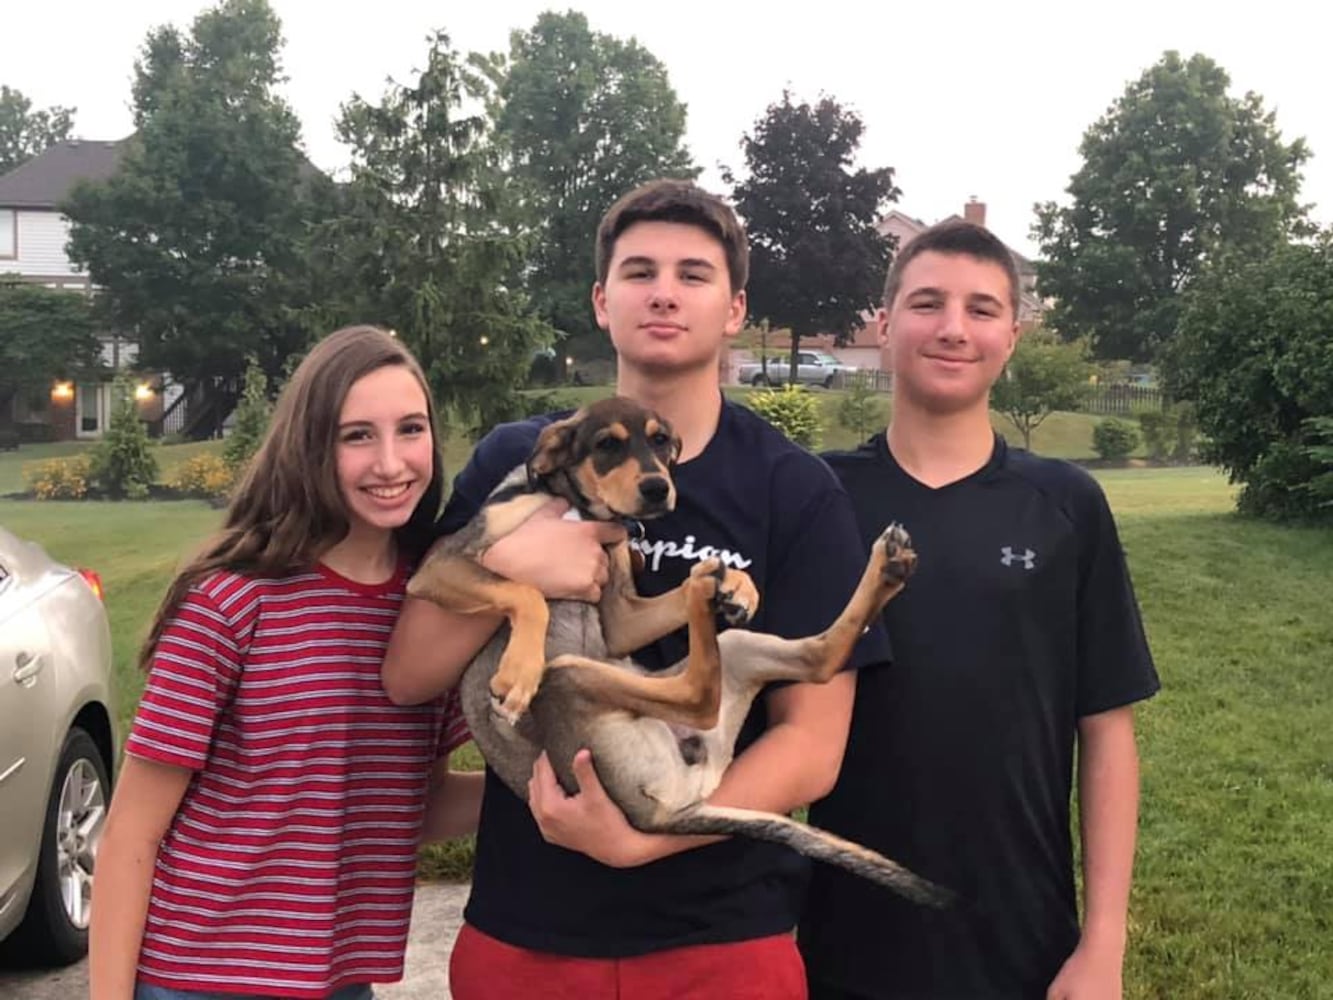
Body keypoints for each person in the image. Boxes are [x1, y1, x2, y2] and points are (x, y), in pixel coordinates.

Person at [380, 178, 889, 1000]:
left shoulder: (793, 488)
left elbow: (810, 747)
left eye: (692, 274)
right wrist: (520, 571)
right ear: (601, 300)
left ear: (732, 310)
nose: (662, 292)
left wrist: (645, 840)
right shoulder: (518, 462)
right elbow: (408, 673)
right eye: (638, 271)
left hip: (722, 939)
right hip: (527, 933)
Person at [798, 220, 1161, 999]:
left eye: (981, 309)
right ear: (887, 324)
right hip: (837, 931)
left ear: (1013, 336)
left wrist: (1103, 945)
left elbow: (1105, 732)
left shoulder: (1064, 505)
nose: (953, 328)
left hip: (1019, 933)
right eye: (928, 303)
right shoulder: (816, 498)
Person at [89, 326, 477, 1000]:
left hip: (338, 981)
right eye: (356, 435)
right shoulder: (232, 602)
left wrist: (554, 782)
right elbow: (130, 836)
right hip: (198, 977)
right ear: (309, 446)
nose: (391, 462)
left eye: (410, 429)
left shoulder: (433, 608)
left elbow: (421, 802)